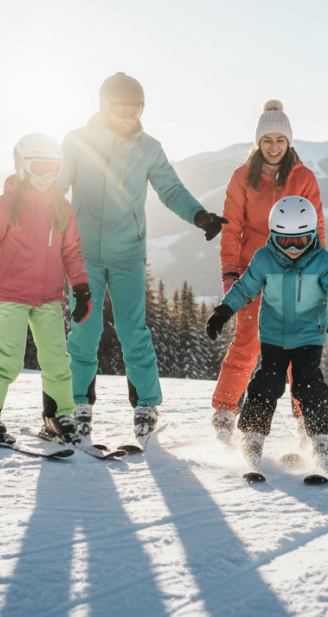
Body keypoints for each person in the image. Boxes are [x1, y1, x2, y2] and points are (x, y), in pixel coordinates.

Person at [59, 72, 227, 444]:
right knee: (85, 330)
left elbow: (169, 188)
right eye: (122, 109)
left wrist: (199, 215)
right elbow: (56, 187)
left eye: (136, 109)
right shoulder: (77, 142)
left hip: (127, 253)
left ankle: (146, 404)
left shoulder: (148, 147)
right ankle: (77, 404)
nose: (130, 116)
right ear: (104, 106)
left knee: (133, 330)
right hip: (83, 253)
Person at [0, 133, 92, 442]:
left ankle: (58, 416)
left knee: (57, 359)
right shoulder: (4, 205)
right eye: (39, 168)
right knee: (9, 357)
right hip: (12, 295)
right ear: (22, 167)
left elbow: (71, 253)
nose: (46, 176)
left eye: (53, 169)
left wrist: (81, 289)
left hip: (49, 298)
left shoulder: (62, 208)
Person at [205, 196, 328, 470]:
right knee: (267, 383)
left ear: (312, 235)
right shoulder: (264, 259)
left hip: (309, 336)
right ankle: (253, 434)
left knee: (307, 384)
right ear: (274, 236)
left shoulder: (322, 262)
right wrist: (224, 311)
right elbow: (244, 288)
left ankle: (322, 437)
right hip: (273, 336)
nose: (294, 248)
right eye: (286, 241)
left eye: (301, 240)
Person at [211, 99, 326, 443]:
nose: (273, 148)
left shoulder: (303, 177)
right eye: (267, 141)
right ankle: (225, 411)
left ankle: (306, 418)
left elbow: (316, 227)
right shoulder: (242, 178)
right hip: (253, 271)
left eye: (280, 140)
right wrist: (231, 272)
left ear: (288, 142)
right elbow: (231, 228)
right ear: (258, 143)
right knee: (246, 342)